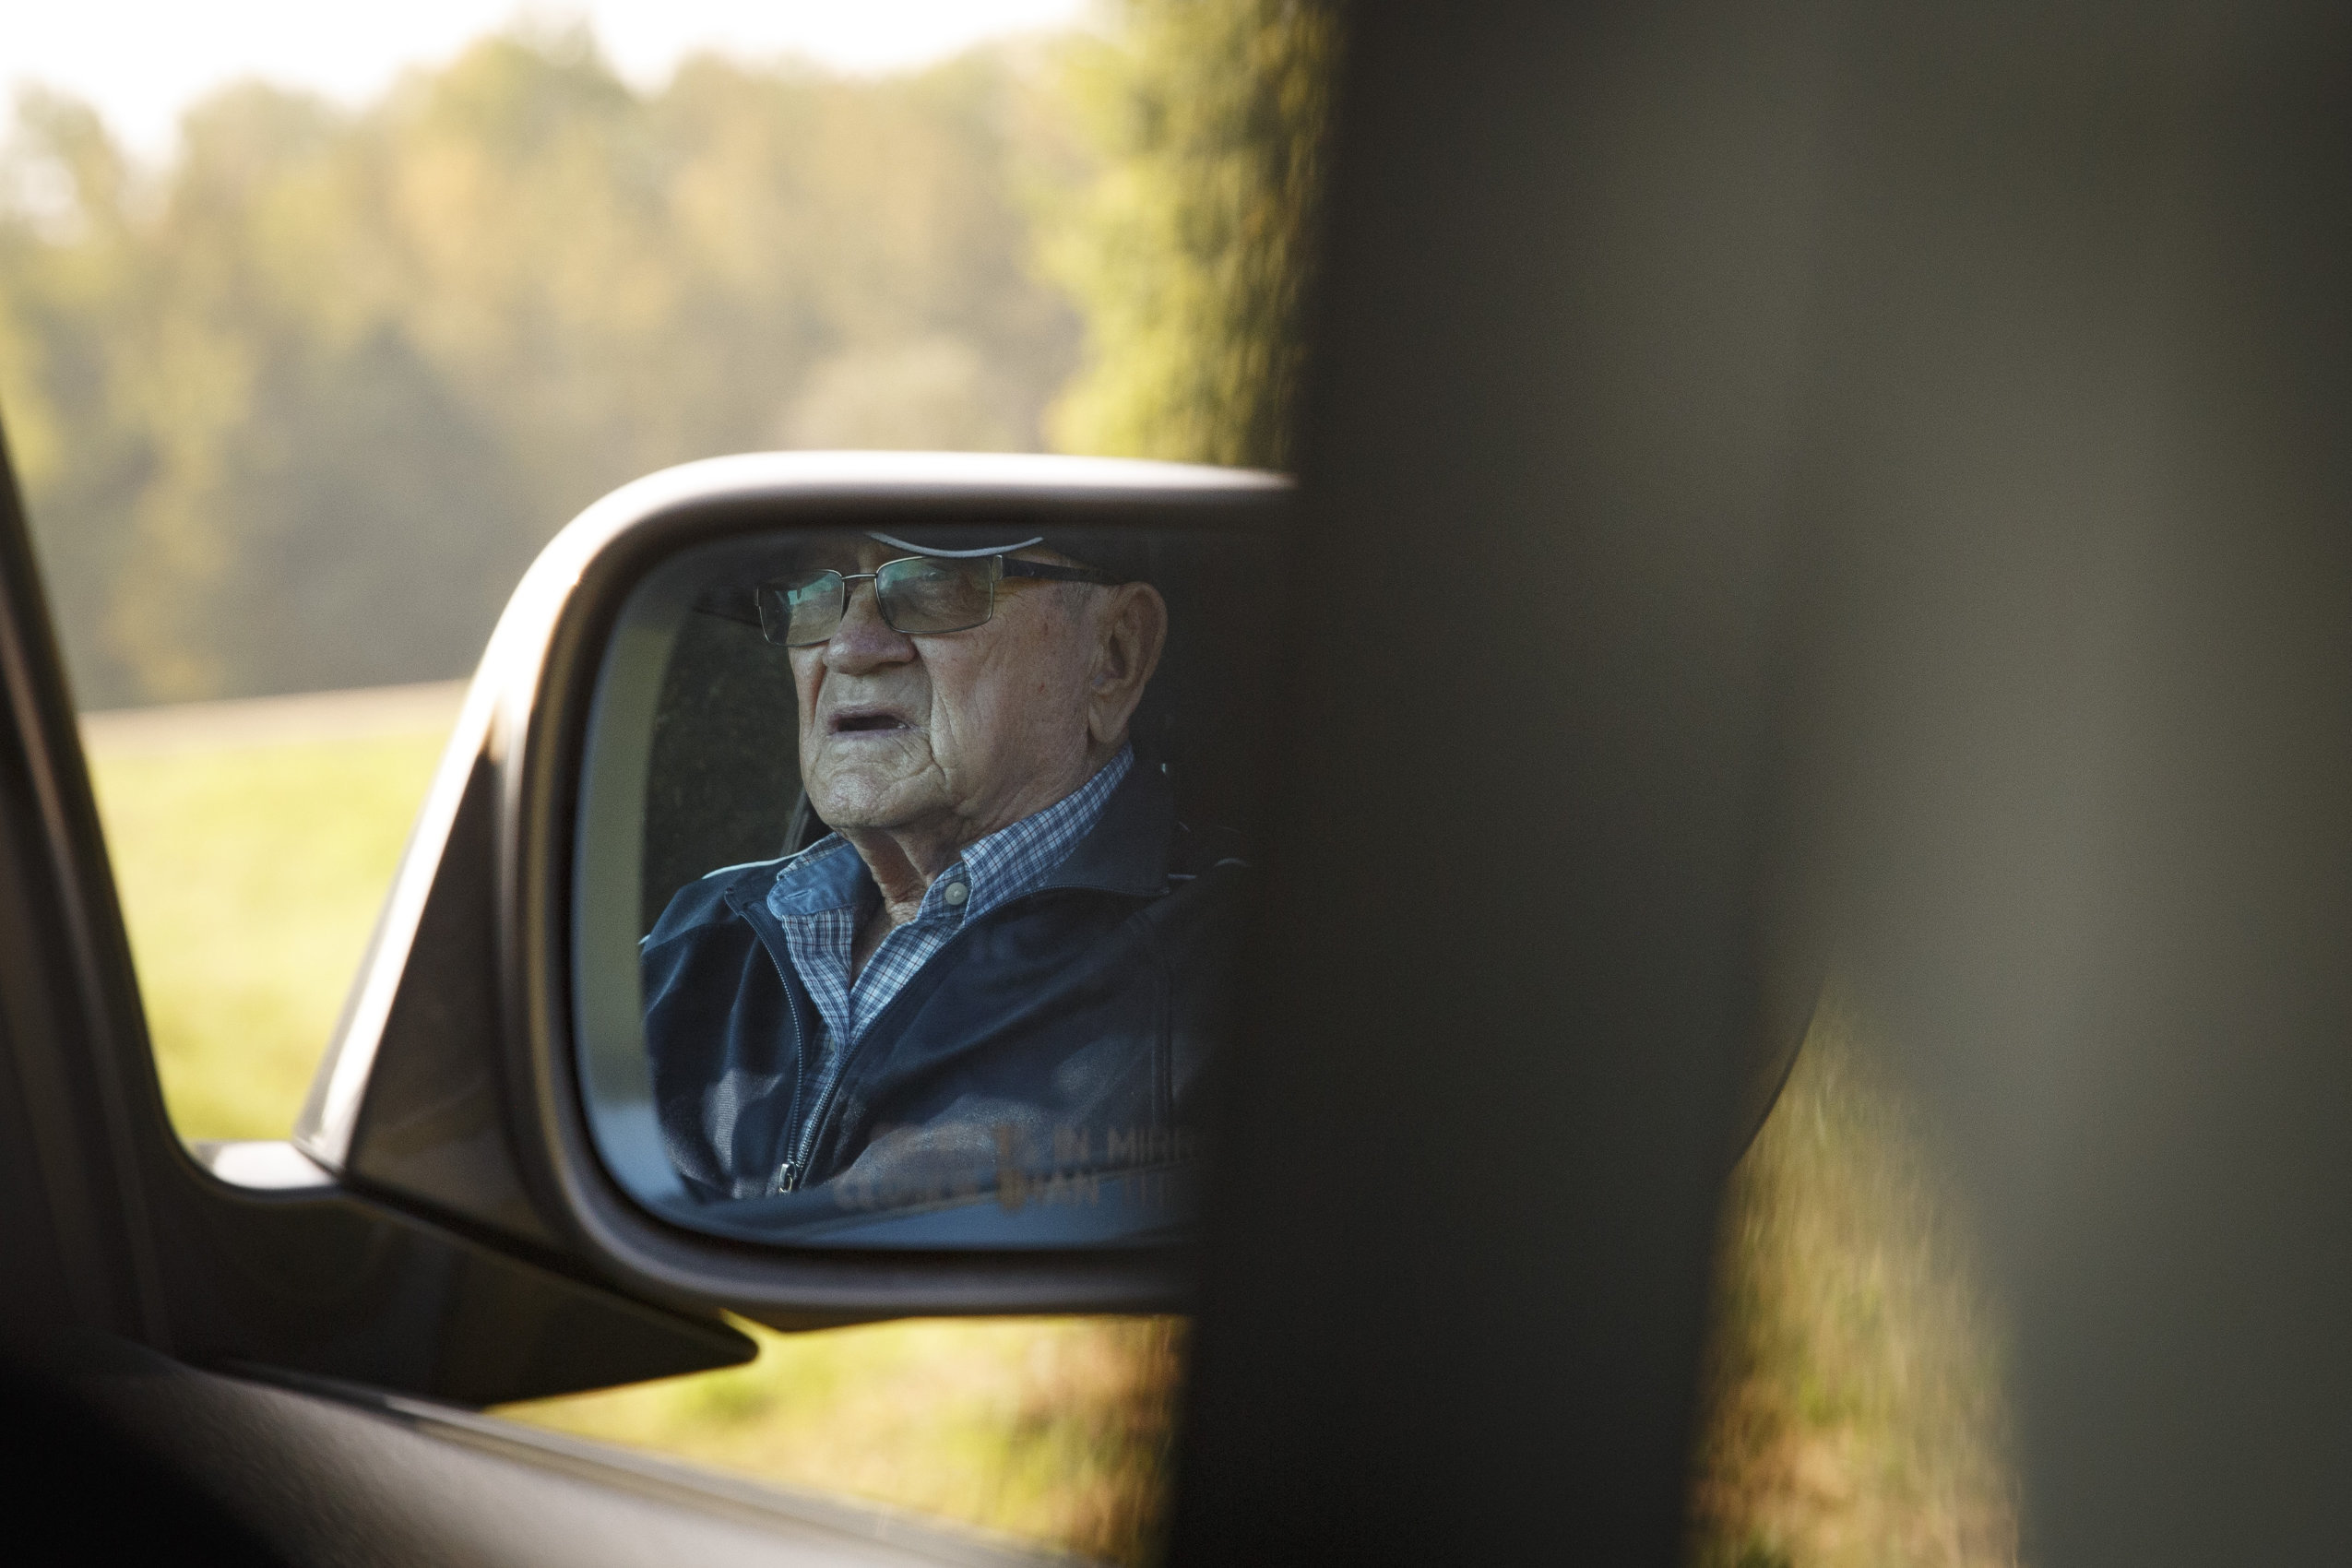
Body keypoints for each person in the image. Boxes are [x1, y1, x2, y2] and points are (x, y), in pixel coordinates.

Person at [641, 529, 1245, 1208]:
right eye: (812, 594)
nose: (847, 647)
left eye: (933, 583)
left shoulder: (1243, 981)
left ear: (1113, 657)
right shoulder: (695, 938)